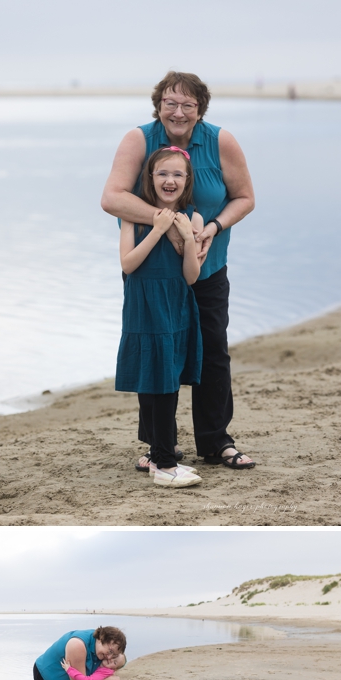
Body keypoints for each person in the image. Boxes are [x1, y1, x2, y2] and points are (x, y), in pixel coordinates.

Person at [101, 71, 256, 471]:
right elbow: (112, 198)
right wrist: (166, 221)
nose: (179, 111)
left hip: (207, 269)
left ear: (200, 109)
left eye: (189, 104)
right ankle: (157, 447)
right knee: (157, 354)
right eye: (170, 103)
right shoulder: (139, 139)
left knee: (212, 354)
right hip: (151, 273)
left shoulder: (220, 141)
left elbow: (244, 198)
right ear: (158, 106)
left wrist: (212, 228)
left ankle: (216, 441)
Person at [114, 146, 205, 487]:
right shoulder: (131, 216)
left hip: (176, 304)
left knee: (167, 378)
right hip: (144, 305)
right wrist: (157, 228)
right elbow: (128, 264)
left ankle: (158, 455)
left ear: (187, 180)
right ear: (150, 178)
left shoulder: (192, 217)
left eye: (177, 175)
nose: (170, 180)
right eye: (163, 174)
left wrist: (184, 236)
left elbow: (192, 276)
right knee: (154, 381)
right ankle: (165, 464)